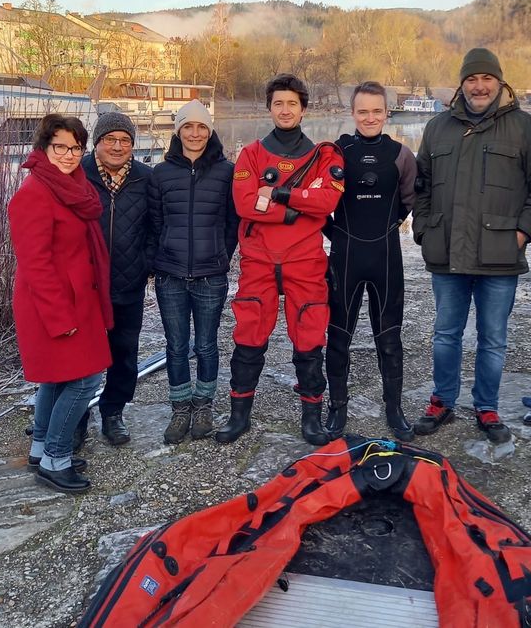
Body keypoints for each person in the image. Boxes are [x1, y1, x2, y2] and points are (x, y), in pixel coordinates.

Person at [412, 48, 531, 443]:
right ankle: (442, 401)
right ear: (462, 84)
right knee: (445, 334)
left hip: (499, 254)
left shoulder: (526, 128)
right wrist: (423, 227)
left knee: (493, 338)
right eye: (471, 79)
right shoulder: (438, 127)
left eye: (486, 79)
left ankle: (486, 407)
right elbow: (420, 183)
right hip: (447, 253)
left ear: (500, 82)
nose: (479, 86)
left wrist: (524, 230)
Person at [216, 74, 344, 446]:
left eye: (292, 103)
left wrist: (279, 193)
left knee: (308, 337)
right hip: (258, 259)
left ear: (303, 109)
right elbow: (244, 203)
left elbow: (327, 202)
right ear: (269, 107)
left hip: (304, 260)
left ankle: (312, 417)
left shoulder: (324, 155)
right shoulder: (251, 154)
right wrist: (291, 211)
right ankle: (239, 414)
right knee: (249, 336)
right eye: (278, 103)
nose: (285, 110)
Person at [8, 114, 112, 494]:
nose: (69, 155)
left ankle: (40, 449)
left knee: (58, 378)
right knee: (86, 380)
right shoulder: (33, 194)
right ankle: (55, 458)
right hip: (52, 305)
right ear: (43, 148)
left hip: (77, 300)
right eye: (60, 147)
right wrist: (59, 317)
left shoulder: (72, 187)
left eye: (75, 147)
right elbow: (35, 264)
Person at [324, 81, 417, 441]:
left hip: (386, 256)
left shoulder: (401, 154)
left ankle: (394, 409)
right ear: (353, 113)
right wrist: (337, 235)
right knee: (338, 336)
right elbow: (319, 203)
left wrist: (387, 228)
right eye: (363, 111)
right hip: (345, 255)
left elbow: (408, 200)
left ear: (386, 112)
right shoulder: (335, 152)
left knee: (390, 337)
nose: (370, 117)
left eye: (377, 111)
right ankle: (337, 408)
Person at [149, 100, 239, 444]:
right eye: (188, 126)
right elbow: (155, 222)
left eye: (201, 127)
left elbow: (232, 223)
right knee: (175, 345)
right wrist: (160, 260)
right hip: (170, 275)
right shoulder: (161, 174)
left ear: (210, 130)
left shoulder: (226, 171)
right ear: (178, 131)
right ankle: (179, 408)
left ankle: (203, 405)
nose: (195, 133)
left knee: (205, 344)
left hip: (210, 274)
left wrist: (220, 255)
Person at [81, 112, 152, 445]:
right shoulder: (78, 173)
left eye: (125, 140)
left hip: (128, 284)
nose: (118, 146)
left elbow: (157, 227)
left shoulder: (145, 178)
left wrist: (144, 264)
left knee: (124, 353)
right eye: (111, 139)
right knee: (81, 357)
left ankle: (113, 412)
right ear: (98, 141)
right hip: (84, 287)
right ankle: (75, 419)